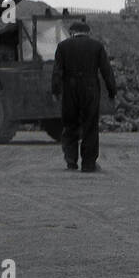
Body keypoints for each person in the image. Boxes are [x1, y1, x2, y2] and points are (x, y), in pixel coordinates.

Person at [51, 18, 117, 172]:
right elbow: (107, 72)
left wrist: (56, 91)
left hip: (70, 88)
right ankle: (88, 164)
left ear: (72, 32)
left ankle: (71, 161)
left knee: (70, 124)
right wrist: (112, 91)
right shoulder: (97, 46)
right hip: (90, 89)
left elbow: (57, 72)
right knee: (90, 126)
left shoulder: (62, 46)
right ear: (88, 33)